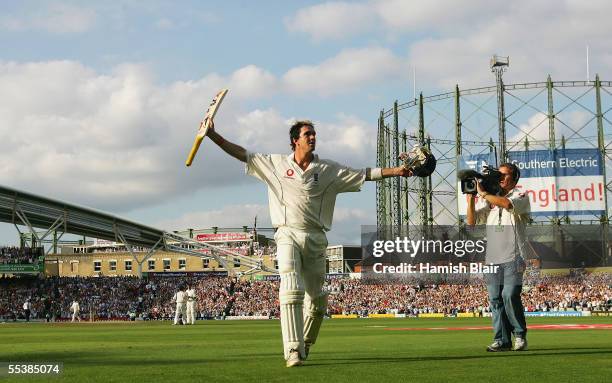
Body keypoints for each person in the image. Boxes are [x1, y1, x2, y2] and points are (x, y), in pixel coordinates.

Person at [207, 119, 413, 367]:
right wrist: (213, 135)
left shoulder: (327, 169)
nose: (313, 137)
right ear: (295, 140)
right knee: (291, 284)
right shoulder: (275, 164)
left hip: (316, 236)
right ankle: (292, 350)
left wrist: (397, 171)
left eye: (314, 133)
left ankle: (305, 342)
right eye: (308, 134)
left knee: (317, 302)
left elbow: (364, 174)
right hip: (286, 232)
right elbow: (243, 154)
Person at [466, 162, 531, 352]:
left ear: (514, 178)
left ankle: (519, 335)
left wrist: (484, 193)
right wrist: (471, 198)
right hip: (492, 258)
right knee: (495, 299)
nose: (500, 178)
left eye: (504, 175)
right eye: (499, 175)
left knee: (509, 294)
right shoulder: (489, 201)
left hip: (514, 256)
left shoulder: (521, 195)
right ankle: (502, 340)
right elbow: (471, 222)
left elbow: (508, 204)